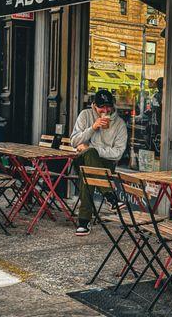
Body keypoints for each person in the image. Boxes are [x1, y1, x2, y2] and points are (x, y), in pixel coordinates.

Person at [71, 89, 127, 236]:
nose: (105, 110)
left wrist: (94, 149)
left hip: (106, 164)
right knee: (89, 156)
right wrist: (92, 128)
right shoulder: (85, 115)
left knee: (88, 172)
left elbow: (118, 153)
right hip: (81, 161)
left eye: (108, 106)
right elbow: (74, 141)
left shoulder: (119, 124)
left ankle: (83, 221)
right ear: (94, 105)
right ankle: (110, 195)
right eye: (101, 107)